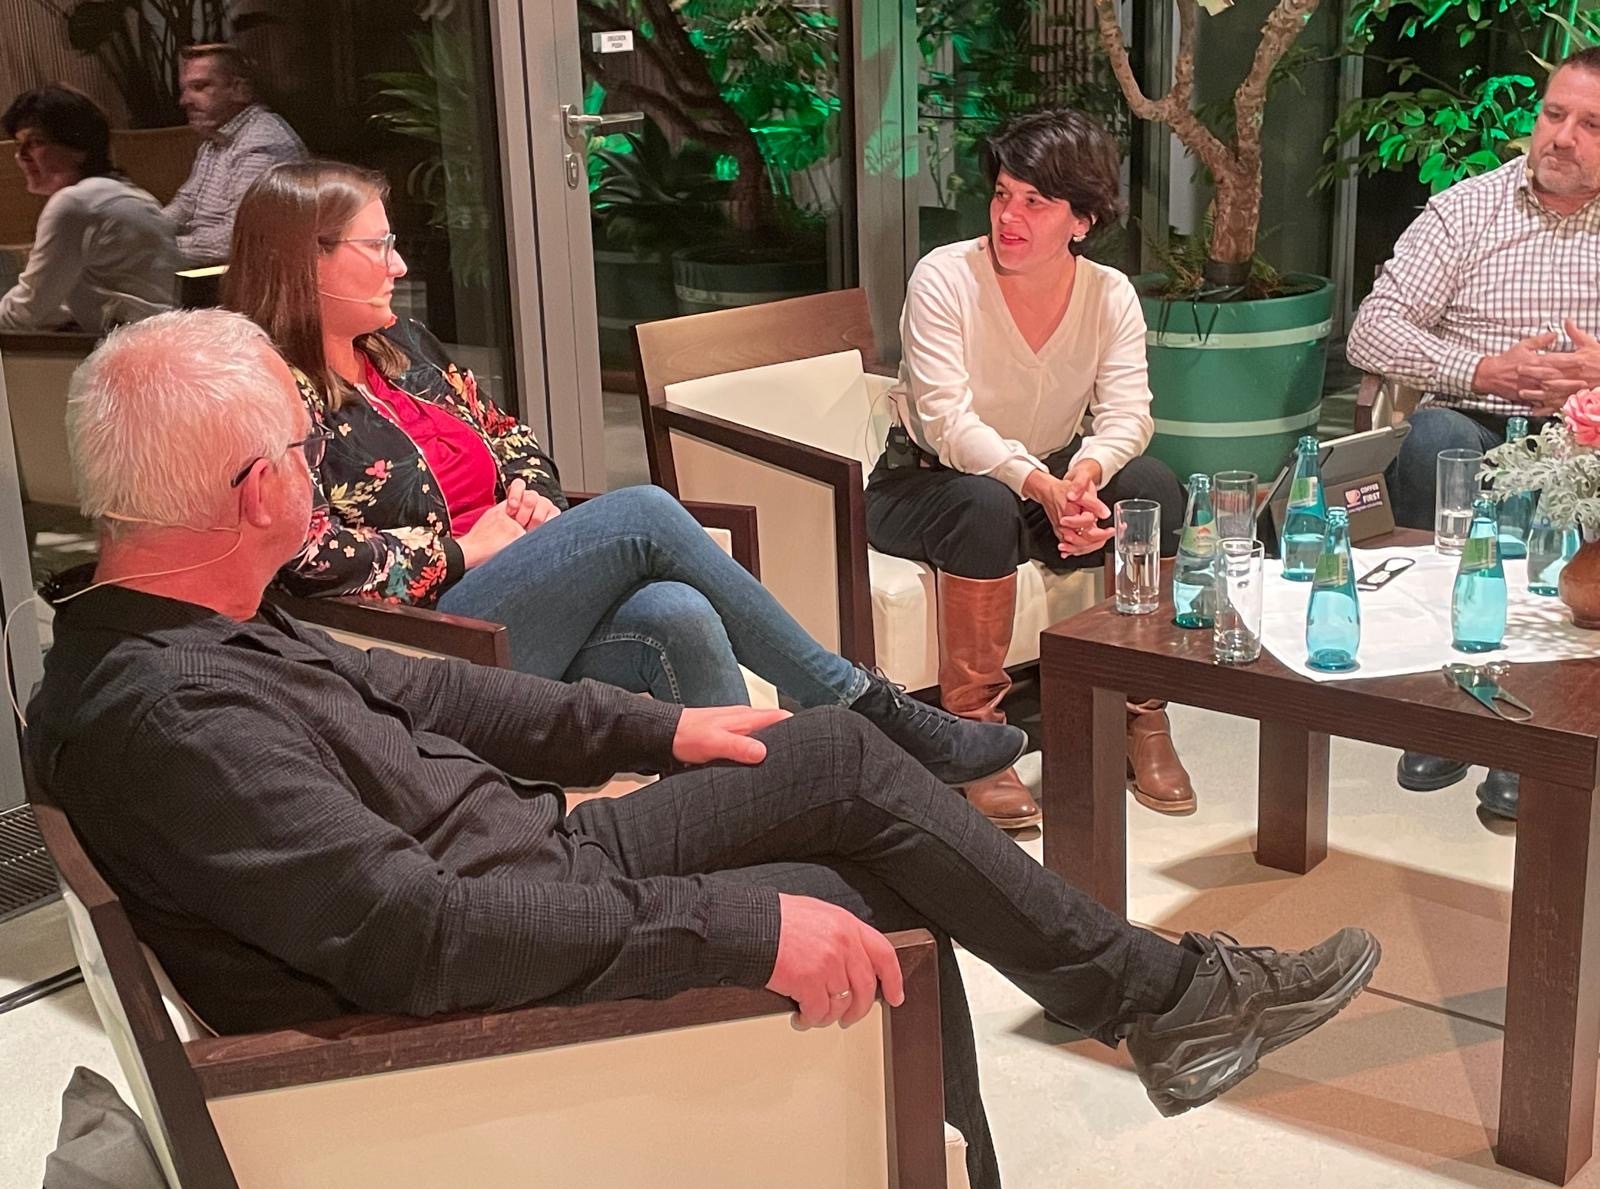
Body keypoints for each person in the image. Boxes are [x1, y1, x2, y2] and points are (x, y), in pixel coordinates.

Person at [24, 308, 1382, 1189]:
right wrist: (735, 937)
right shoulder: (169, 719)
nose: (321, 471)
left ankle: (1130, 1020)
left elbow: (436, 704)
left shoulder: (192, 634)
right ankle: (1141, 1015)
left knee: (830, 758)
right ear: (255, 492)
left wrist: (662, 725)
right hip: (475, 979)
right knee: (848, 880)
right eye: (304, 451)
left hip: (523, 871)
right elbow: (421, 943)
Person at [221, 158, 1022, 790]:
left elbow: (512, 436)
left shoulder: (404, 352)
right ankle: (853, 701)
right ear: (306, 260)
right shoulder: (264, 393)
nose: (398, 264)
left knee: (673, 610)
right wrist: (469, 550)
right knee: (641, 511)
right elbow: (303, 554)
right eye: (378, 246)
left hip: (512, 596)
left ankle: (776, 804)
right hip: (428, 644)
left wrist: (530, 500)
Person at [865, 108, 1194, 829]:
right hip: (925, 483)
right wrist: (1041, 488)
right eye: (1003, 195)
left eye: (1034, 202)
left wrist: (1086, 476)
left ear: (1082, 219)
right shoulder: (945, 278)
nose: (1009, 216)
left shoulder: (1109, 295)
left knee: (1154, 489)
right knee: (984, 505)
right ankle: (978, 742)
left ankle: (1144, 715)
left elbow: (1129, 412)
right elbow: (948, 422)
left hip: (1043, 478)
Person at [1345, 46, 1600, 823]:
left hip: (1591, 439)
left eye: (1591, 125)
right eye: (1554, 114)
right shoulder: (1466, 211)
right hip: (1479, 423)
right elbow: (1373, 331)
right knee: (1428, 440)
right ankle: (1454, 699)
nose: (1562, 137)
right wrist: (1486, 369)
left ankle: (1548, 719)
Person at [0, 86, 179, 331]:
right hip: (158, 338)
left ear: (79, 147)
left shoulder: (75, 204)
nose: (21, 156)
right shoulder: (127, 193)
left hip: (134, 348)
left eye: (36, 142)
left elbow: (27, 311)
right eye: (19, 144)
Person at [162, 43, 304, 266]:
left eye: (200, 87)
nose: (184, 100)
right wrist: (145, 230)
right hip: (205, 263)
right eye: (184, 90)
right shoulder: (216, 137)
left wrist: (154, 248)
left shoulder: (262, 143)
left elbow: (236, 239)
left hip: (243, 274)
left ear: (240, 90)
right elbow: (185, 203)